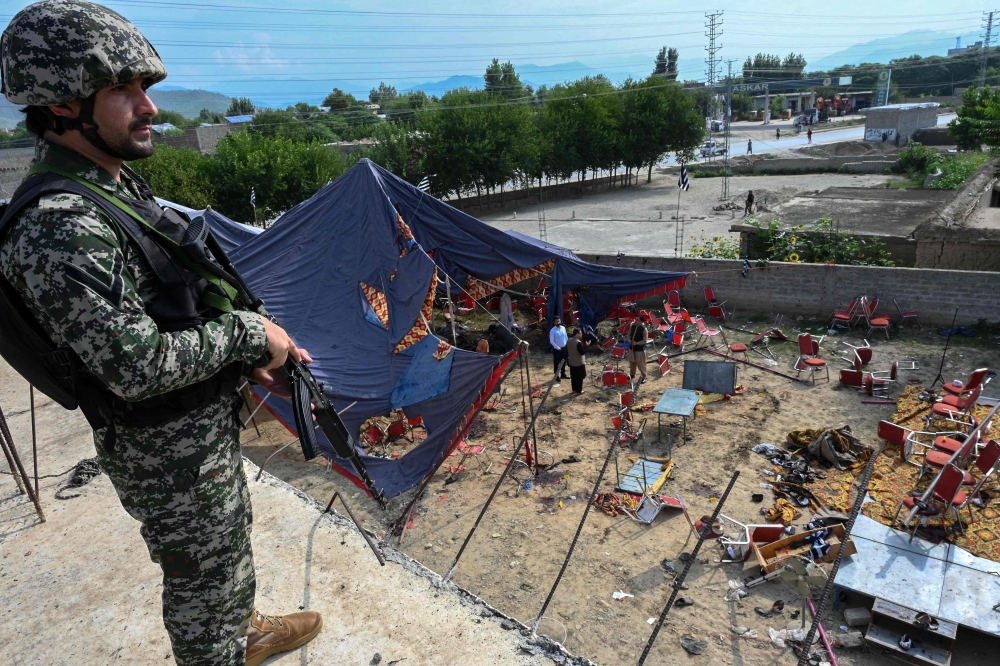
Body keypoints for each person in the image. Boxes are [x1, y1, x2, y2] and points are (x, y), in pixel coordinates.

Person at [0, 3, 322, 665]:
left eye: (145, 86)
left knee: (221, 554)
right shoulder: (62, 221)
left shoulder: (106, 183)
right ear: (61, 103)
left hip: (191, 432)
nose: (147, 106)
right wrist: (245, 333)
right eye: (122, 89)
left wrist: (242, 351)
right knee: (200, 579)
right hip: (165, 453)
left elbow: (165, 296)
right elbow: (136, 364)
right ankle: (222, 647)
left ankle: (242, 626)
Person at [566, 327, 588, 394]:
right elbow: (582, 352)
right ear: (577, 334)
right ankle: (579, 390)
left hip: (572, 362)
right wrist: (586, 346)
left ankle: (574, 389)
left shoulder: (569, 340)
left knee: (573, 377)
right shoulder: (578, 342)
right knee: (580, 377)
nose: (582, 334)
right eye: (581, 333)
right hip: (579, 363)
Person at [548, 315, 569, 384]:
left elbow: (566, 337)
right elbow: (551, 341)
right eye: (556, 321)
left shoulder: (563, 328)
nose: (558, 322)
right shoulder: (552, 331)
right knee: (556, 363)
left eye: (559, 321)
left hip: (564, 348)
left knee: (564, 361)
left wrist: (567, 345)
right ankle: (556, 376)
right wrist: (557, 347)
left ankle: (563, 374)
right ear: (554, 322)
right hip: (557, 350)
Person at [627, 318, 648, 383]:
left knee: (641, 364)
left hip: (639, 350)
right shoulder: (632, 326)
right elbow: (628, 335)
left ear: (641, 321)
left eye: (637, 320)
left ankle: (644, 376)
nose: (635, 321)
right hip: (632, 348)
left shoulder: (644, 329)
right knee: (632, 362)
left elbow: (645, 340)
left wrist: (637, 343)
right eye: (635, 320)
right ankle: (632, 374)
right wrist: (629, 341)